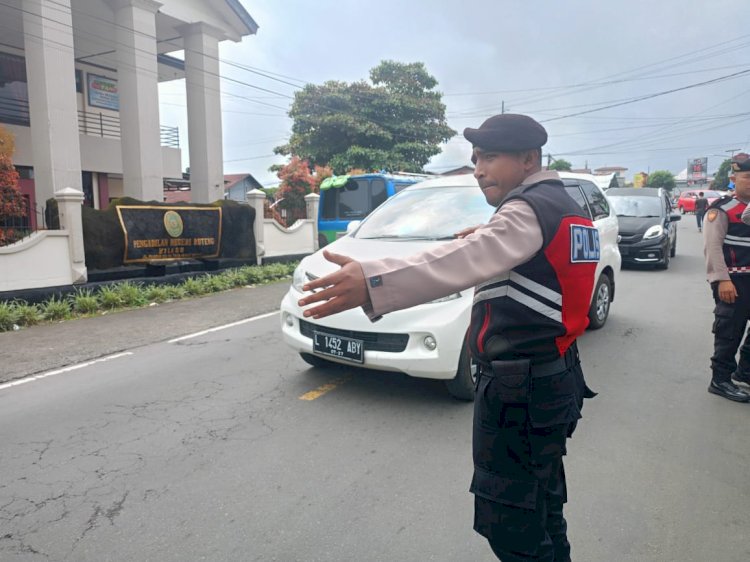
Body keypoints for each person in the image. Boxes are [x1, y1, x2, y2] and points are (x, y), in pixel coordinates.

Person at [298, 114, 597, 561]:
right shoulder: (570, 204)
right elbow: (545, 263)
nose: (478, 169)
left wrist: (372, 280)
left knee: (512, 524)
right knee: (544, 506)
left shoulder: (525, 210)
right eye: (476, 158)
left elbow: (463, 257)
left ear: (529, 159)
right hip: (556, 376)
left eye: (490, 157)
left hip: (522, 391)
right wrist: (488, 232)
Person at [703, 152, 750, 402]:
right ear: (734, 178)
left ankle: (745, 372)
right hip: (732, 281)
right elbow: (712, 247)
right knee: (729, 331)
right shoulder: (722, 210)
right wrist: (722, 279)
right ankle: (720, 380)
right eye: (746, 177)